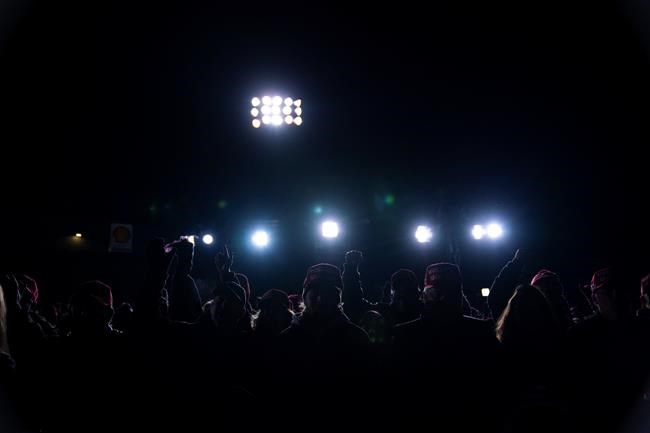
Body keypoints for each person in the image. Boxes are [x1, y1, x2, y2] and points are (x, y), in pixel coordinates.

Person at [392, 262, 501, 432]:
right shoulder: (480, 332)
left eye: (447, 293)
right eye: (437, 293)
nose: (442, 298)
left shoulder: (405, 334)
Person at [567, 267, 650, 432]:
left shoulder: (641, 329)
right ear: (594, 298)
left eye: (617, 290)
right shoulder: (581, 335)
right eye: (607, 292)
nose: (614, 296)